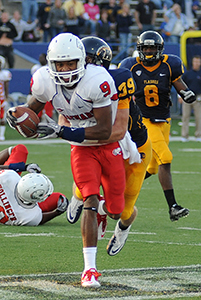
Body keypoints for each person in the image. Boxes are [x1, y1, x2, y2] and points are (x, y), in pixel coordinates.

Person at [6, 33, 126, 288]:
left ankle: (105, 211)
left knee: (116, 210)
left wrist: (61, 130)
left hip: (108, 145)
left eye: (70, 63)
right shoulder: (44, 81)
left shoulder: (98, 80)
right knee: (90, 200)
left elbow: (105, 130)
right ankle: (89, 270)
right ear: (51, 64)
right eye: (60, 64)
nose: (65, 69)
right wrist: (18, 118)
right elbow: (32, 114)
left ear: (81, 61)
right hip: (80, 149)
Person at [65, 36, 152, 256]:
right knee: (86, 178)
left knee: (123, 210)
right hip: (106, 145)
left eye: (85, 59)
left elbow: (117, 131)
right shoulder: (76, 84)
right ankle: (81, 196)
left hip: (135, 148)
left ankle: (123, 228)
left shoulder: (118, 78)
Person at [119, 31, 196, 221]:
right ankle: (173, 207)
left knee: (152, 168)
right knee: (166, 157)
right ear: (140, 49)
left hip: (164, 121)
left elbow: (179, 83)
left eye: (153, 48)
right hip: (144, 120)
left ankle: (119, 186)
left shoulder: (171, 64)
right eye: (146, 48)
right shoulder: (131, 66)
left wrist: (186, 93)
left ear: (159, 49)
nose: (150, 51)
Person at [0, 144, 68, 225]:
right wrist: (58, 212)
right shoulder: (29, 216)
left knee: (20, 149)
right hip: (17, 202)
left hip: (8, 189)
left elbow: (39, 219)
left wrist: (22, 167)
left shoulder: (7, 176)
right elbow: (40, 219)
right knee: (60, 199)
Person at [180, 55, 201, 142]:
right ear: (192, 62)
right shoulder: (187, 74)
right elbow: (181, 85)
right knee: (185, 117)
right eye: (195, 61)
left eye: (198, 61)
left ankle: (198, 135)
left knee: (199, 117)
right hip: (187, 97)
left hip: (198, 98)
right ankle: (184, 135)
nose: (196, 63)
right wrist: (180, 96)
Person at [30, 53, 54, 120]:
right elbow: (32, 81)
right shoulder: (35, 68)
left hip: (48, 92)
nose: (40, 59)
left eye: (42, 57)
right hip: (38, 92)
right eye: (40, 57)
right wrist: (30, 92)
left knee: (49, 113)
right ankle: (37, 127)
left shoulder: (50, 68)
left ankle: (51, 127)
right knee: (37, 112)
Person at [0, 55, 12, 141]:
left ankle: (1, 135)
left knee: (2, 119)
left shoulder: (4, 74)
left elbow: (6, 87)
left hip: (1, 99)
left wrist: (6, 98)